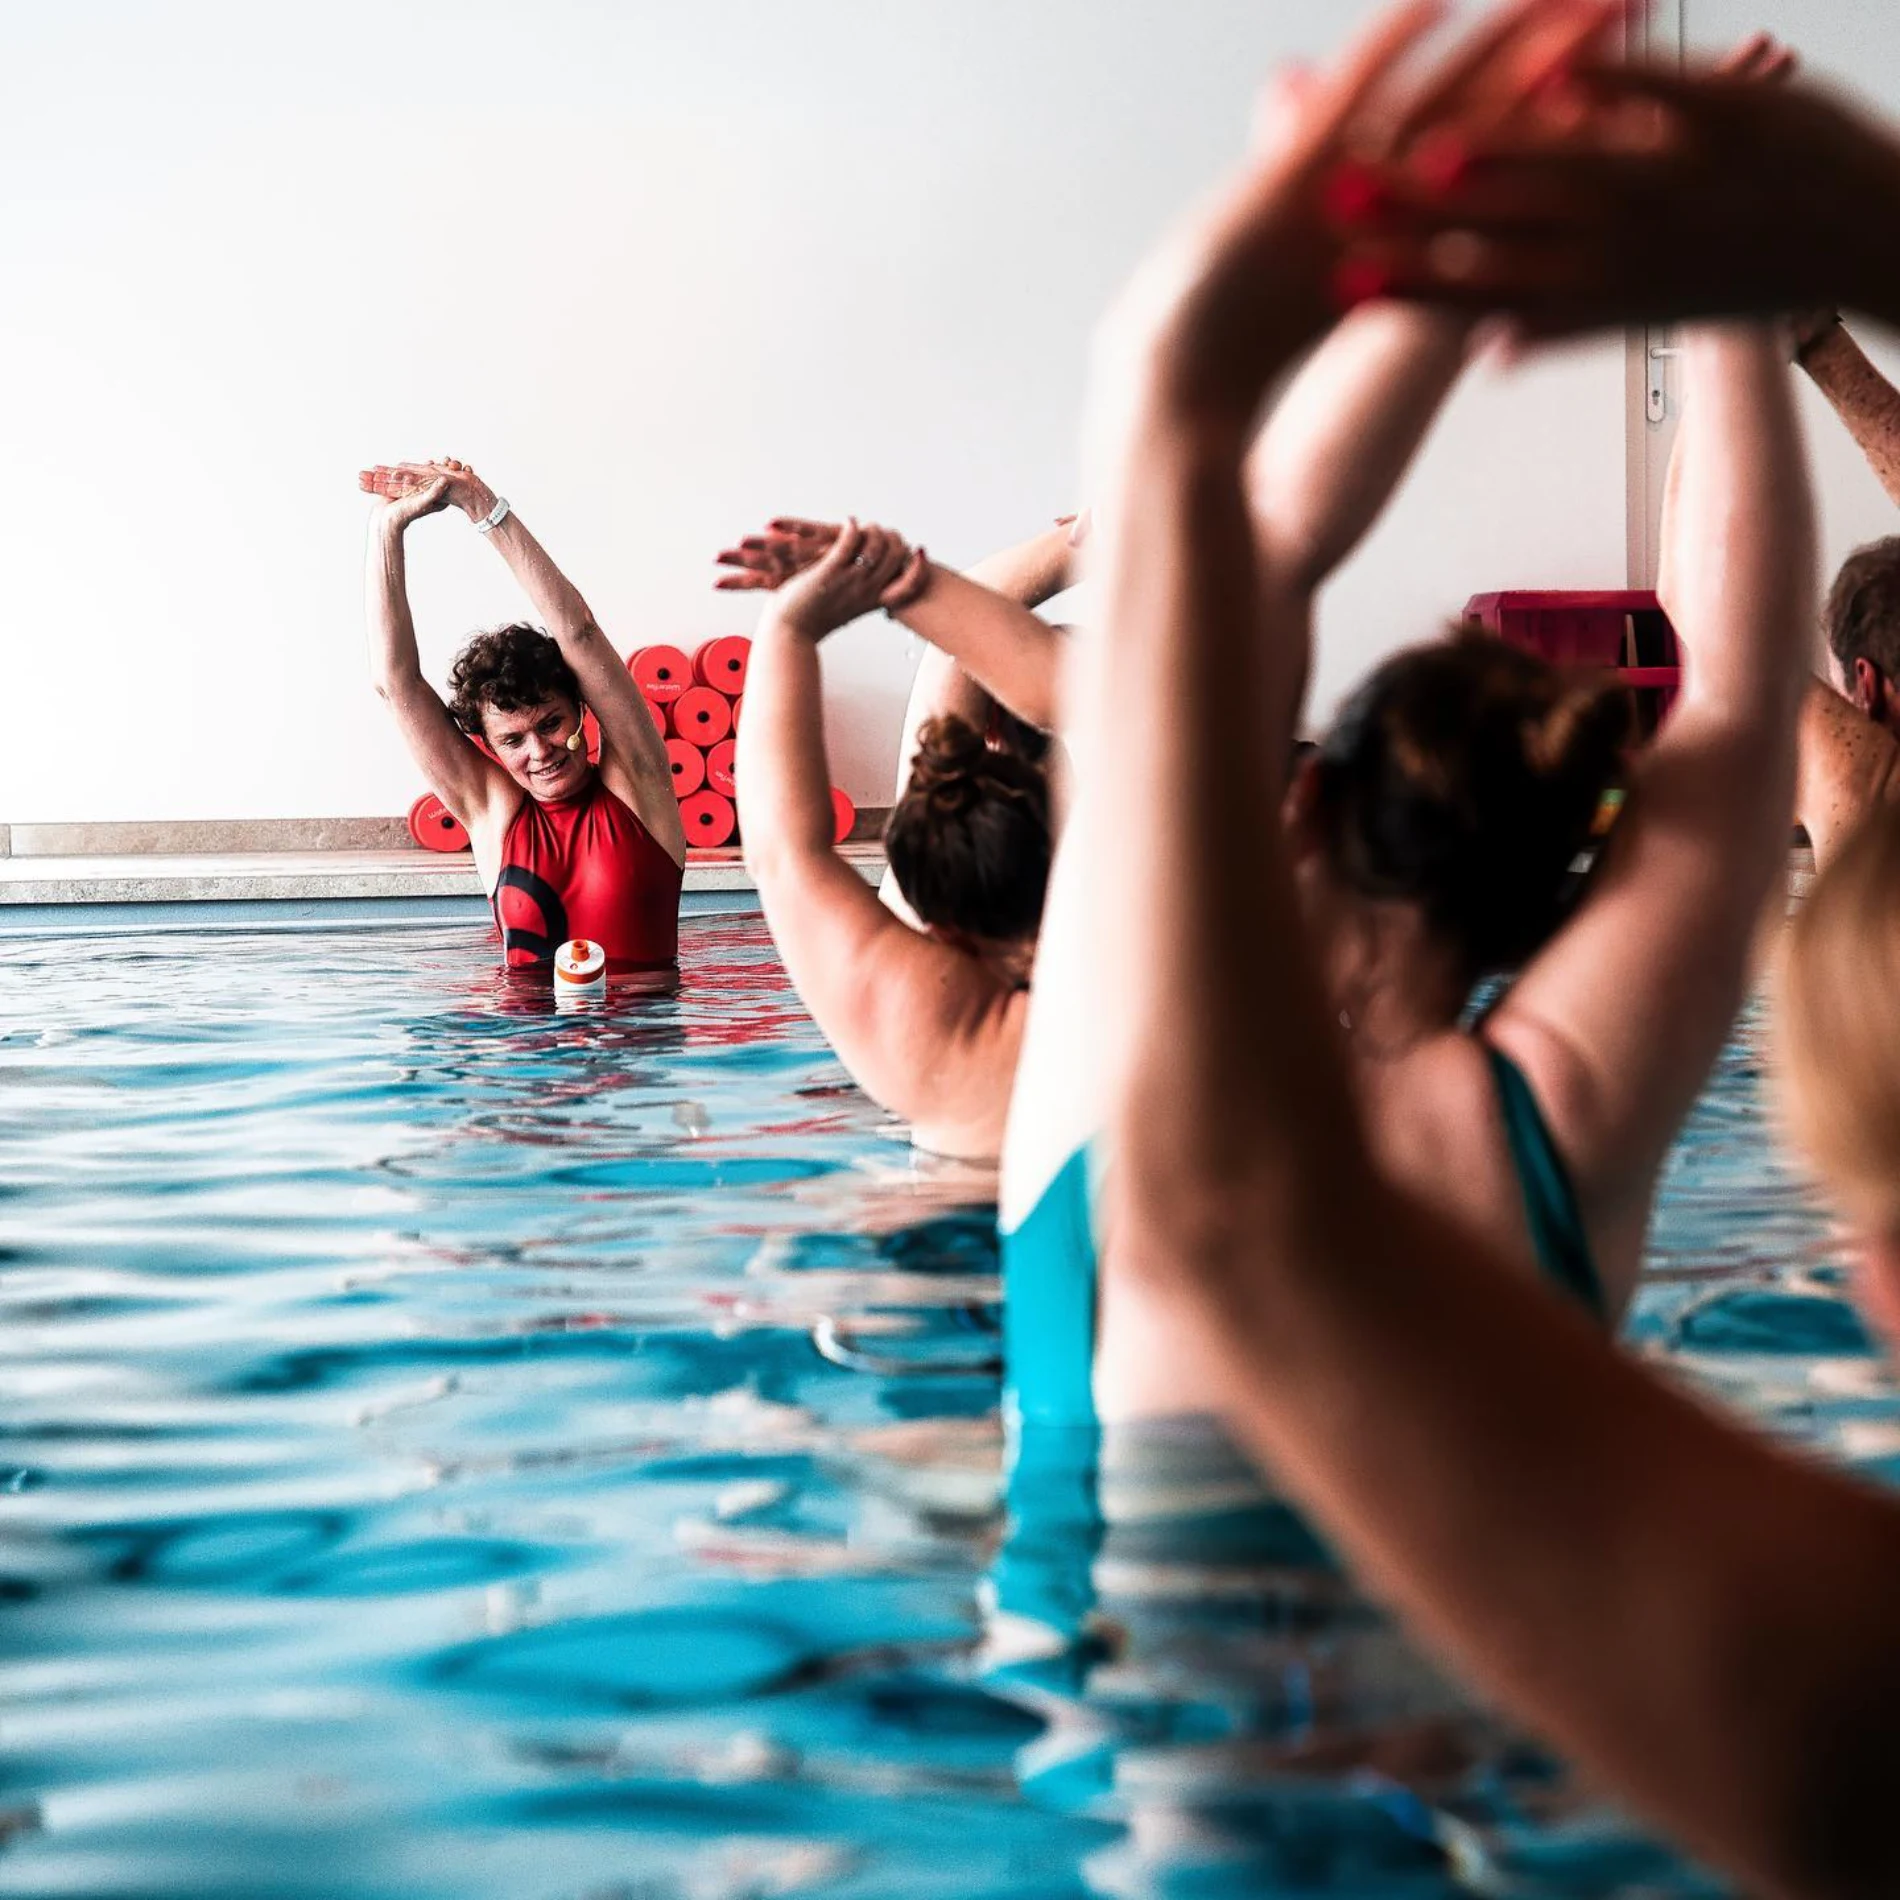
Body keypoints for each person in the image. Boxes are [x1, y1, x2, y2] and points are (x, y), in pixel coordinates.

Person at [1071, 4, 1900, 1894]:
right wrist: (1735, 304)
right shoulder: (1561, 1120)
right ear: (1556, 898)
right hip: (1540, 1788)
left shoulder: (1137, 1099)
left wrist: (1201, 370)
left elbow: (1245, 565)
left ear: (1296, 807)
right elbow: (1731, 681)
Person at [732, 520, 1053, 1163]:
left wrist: (789, 626)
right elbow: (1093, 704)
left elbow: (785, 852)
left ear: (935, 923)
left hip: (945, 1208)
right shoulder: (1145, 991)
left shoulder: (927, 1028)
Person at [361, 458, 685, 985]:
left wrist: (480, 504)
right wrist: (386, 528)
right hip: (520, 1038)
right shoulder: (493, 813)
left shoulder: (639, 786)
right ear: (488, 746)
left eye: (551, 723)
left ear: (581, 709)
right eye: (512, 740)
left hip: (640, 1035)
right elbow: (395, 684)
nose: (539, 752)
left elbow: (578, 632)